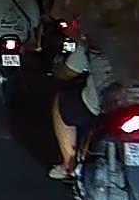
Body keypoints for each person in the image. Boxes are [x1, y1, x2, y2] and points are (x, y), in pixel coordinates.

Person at [48, 19, 117, 180]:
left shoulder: (98, 36)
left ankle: (69, 165)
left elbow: (69, 71)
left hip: (105, 105)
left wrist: (57, 71)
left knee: (63, 102)